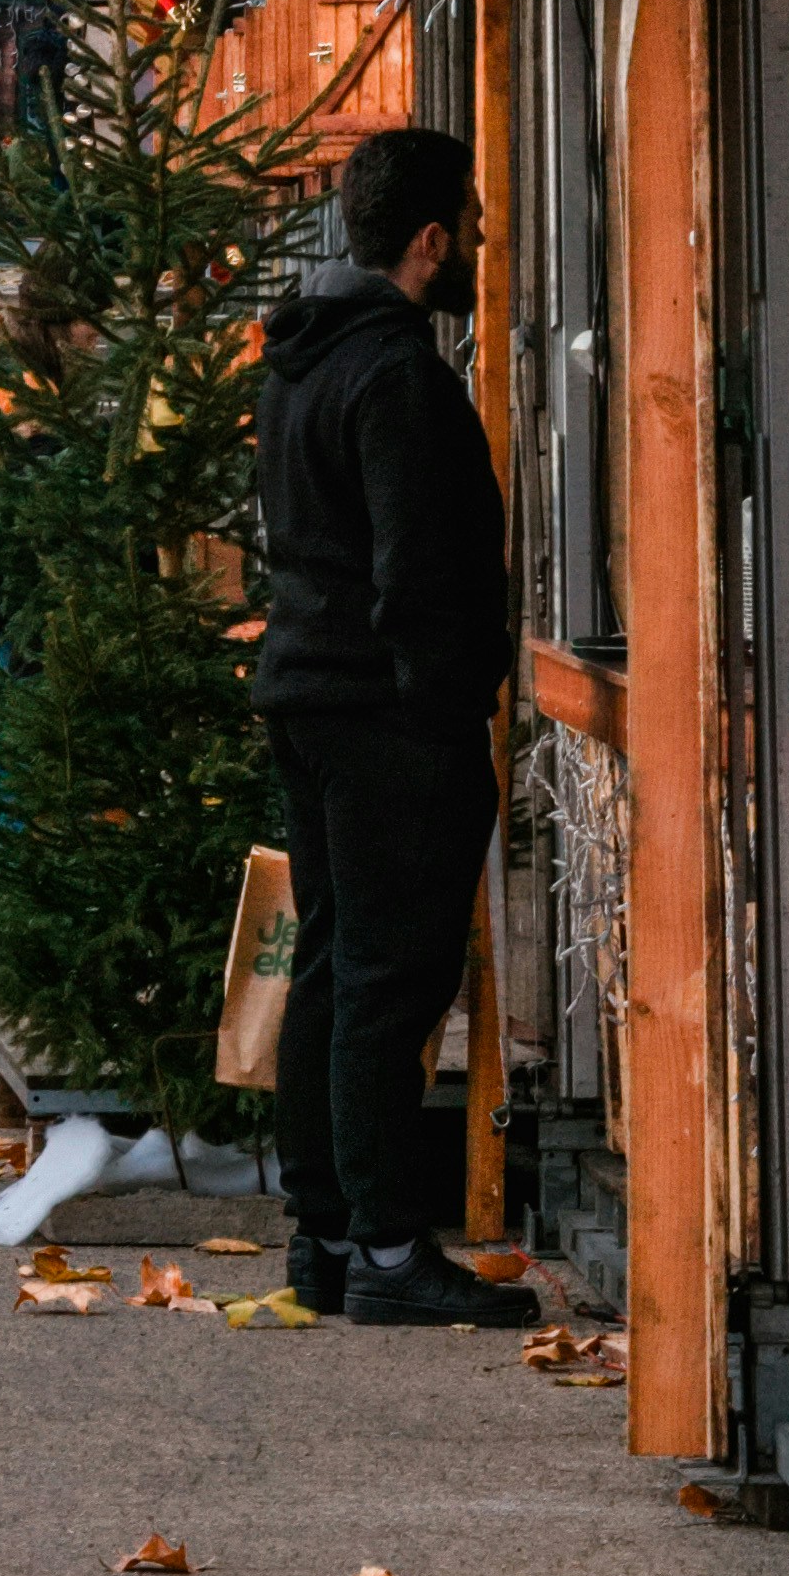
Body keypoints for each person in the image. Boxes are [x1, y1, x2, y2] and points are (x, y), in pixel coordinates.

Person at [252, 124, 533, 1328]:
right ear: (428, 239)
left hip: (312, 689)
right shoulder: (399, 374)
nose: (476, 241)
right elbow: (419, 565)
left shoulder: (305, 356)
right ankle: (380, 1242)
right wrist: (451, 701)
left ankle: (324, 1228)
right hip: (384, 711)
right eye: (467, 224)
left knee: (332, 961)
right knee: (387, 977)